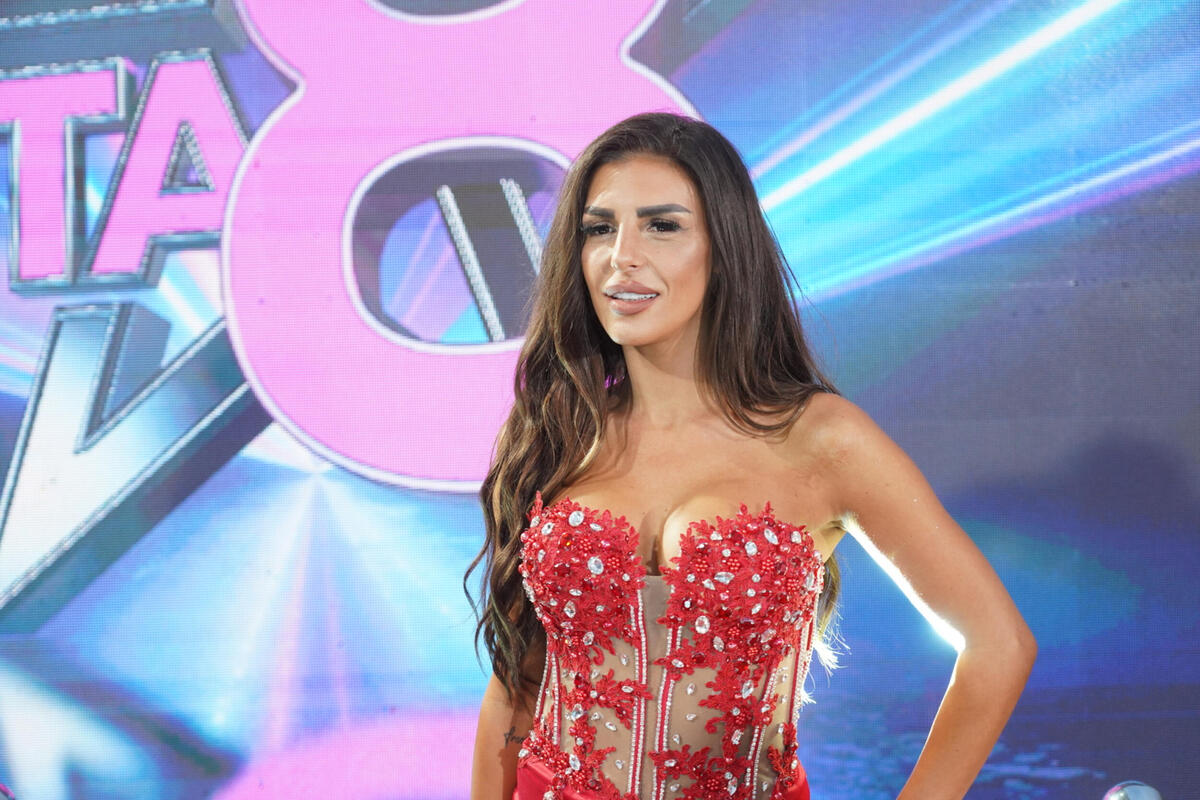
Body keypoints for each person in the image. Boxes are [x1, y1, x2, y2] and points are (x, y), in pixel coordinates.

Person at [467, 112, 1035, 800]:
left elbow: (998, 643)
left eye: (662, 225)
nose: (622, 255)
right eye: (599, 228)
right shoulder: (558, 427)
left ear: (726, 246)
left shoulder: (823, 440)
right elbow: (516, 683)